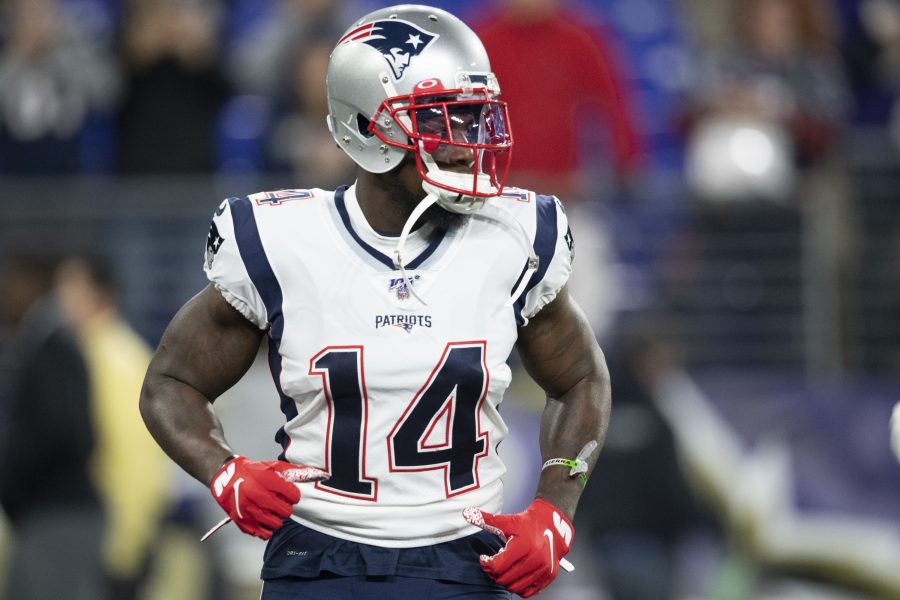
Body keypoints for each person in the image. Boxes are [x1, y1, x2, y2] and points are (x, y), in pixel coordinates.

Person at [139, 5, 611, 599]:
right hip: (317, 562)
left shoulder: (515, 237)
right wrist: (222, 470)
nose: (469, 147)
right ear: (368, 127)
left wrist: (556, 507)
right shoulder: (284, 241)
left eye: (474, 120)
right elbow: (170, 382)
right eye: (443, 122)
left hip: (461, 565)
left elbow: (581, 379)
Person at [55, 254, 170, 600]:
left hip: (109, 538)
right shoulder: (88, 351)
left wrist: (124, 544)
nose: (60, 297)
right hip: (93, 530)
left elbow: (136, 454)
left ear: (99, 294)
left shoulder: (112, 358)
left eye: (70, 286)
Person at [0, 253, 107, 600]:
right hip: (52, 514)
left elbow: (67, 433)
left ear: (30, 286)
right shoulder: (46, 344)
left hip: (58, 514)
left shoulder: (53, 347)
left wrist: (11, 479)